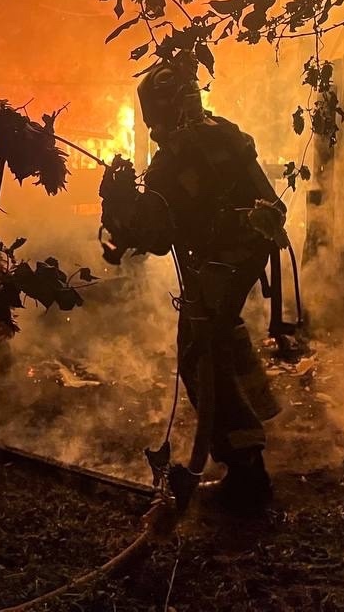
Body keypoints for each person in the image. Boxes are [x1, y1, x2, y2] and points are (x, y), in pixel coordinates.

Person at [99, 52, 283, 512]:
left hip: (218, 268)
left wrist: (121, 212)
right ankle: (258, 407)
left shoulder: (172, 162)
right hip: (244, 260)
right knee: (221, 337)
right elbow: (269, 205)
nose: (154, 130)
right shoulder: (227, 135)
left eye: (154, 120)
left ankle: (247, 469)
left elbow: (159, 238)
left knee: (200, 355)